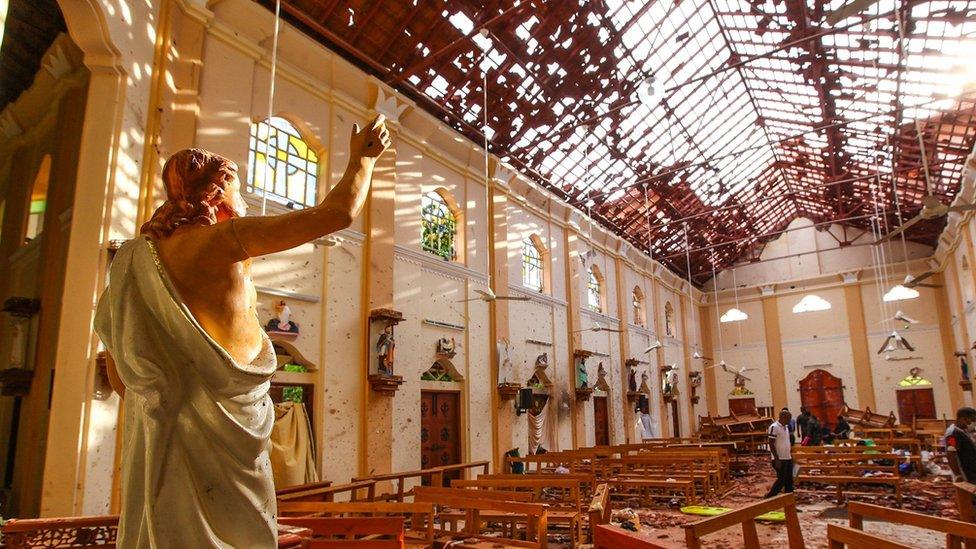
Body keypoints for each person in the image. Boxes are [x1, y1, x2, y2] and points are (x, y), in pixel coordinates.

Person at [95, 115, 391, 547]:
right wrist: (363, 161)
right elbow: (337, 213)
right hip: (229, 419)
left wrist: (169, 399)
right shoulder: (221, 239)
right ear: (216, 193)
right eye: (235, 185)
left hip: (169, 422)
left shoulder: (133, 259)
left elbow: (121, 367)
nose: (242, 196)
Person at [765, 409, 794, 497]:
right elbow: (771, 443)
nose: (790, 421)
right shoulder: (774, 427)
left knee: (789, 481)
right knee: (781, 480)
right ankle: (770, 496)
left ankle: (789, 502)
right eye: (789, 418)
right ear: (783, 418)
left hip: (787, 457)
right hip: (779, 458)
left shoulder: (786, 427)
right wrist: (776, 458)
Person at [947, 407, 976, 483]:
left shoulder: (963, 430)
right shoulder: (953, 433)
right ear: (963, 418)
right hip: (965, 472)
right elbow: (951, 454)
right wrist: (958, 475)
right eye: (971, 420)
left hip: (972, 469)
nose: (971, 423)